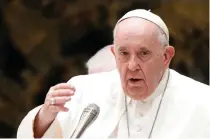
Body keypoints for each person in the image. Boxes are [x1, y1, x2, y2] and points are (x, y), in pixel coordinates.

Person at [17, 9, 210, 138]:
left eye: (144, 53)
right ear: (114, 54)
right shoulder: (83, 90)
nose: (132, 65)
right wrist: (45, 116)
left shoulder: (202, 101)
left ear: (166, 56)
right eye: (124, 54)